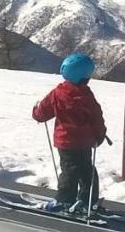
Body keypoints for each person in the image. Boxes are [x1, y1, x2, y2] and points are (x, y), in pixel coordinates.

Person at [32, 52, 107, 215]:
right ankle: (88, 200)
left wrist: (36, 113)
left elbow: (43, 111)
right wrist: (100, 135)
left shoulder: (58, 93)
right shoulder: (87, 96)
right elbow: (96, 117)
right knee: (87, 169)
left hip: (65, 142)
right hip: (85, 142)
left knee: (69, 170)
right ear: (86, 77)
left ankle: (65, 200)